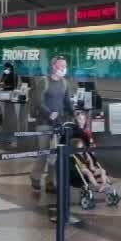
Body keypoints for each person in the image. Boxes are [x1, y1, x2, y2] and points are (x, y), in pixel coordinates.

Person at [31, 56, 75, 192]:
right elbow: (38, 101)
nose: (64, 68)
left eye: (65, 66)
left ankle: (50, 181)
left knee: (54, 154)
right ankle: (35, 176)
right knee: (44, 152)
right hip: (44, 123)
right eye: (61, 66)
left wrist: (74, 114)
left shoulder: (65, 83)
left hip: (59, 124)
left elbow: (67, 101)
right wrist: (49, 113)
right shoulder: (44, 82)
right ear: (54, 66)